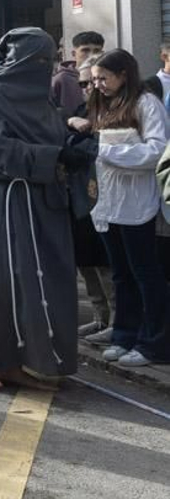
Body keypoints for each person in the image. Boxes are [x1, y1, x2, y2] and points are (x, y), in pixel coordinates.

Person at [0, 28, 88, 391]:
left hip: (43, 200)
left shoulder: (41, 96)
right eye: (37, 60)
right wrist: (55, 155)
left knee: (43, 282)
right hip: (2, 200)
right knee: (0, 281)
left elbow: (48, 134)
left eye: (49, 60)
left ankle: (31, 359)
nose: (44, 68)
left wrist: (73, 142)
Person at [76, 49, 170, 368]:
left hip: (138, 204)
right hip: (107, 203)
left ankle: (154, 343)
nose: (97, 85)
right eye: (94, 79)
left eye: (103, 78)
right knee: (121, 275)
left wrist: (105, 151)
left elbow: (157, 150)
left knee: (145, 274)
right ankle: (125, 336)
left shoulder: (146, 103)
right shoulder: (104, 104)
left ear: (123, 75)